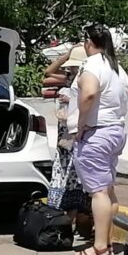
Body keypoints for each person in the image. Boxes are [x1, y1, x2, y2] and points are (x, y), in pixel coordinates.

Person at [71, 24, 128, 255]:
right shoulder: (117, 68)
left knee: (98, 193)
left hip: (97, 133)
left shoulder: (92, 65)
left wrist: (82, 123)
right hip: (116, 131)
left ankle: (99, 247)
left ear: (88, 42)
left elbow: (89, 94)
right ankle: (107, 241)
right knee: (108, 190)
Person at [43, 45, 91, 234]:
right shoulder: (69, 82)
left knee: (73, 182)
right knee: (66, 179)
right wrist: (66, 55)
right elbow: (48, 72)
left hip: (75, 136)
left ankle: (69, 228)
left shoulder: (86, 84)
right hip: (66, 138)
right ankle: (68, 227)